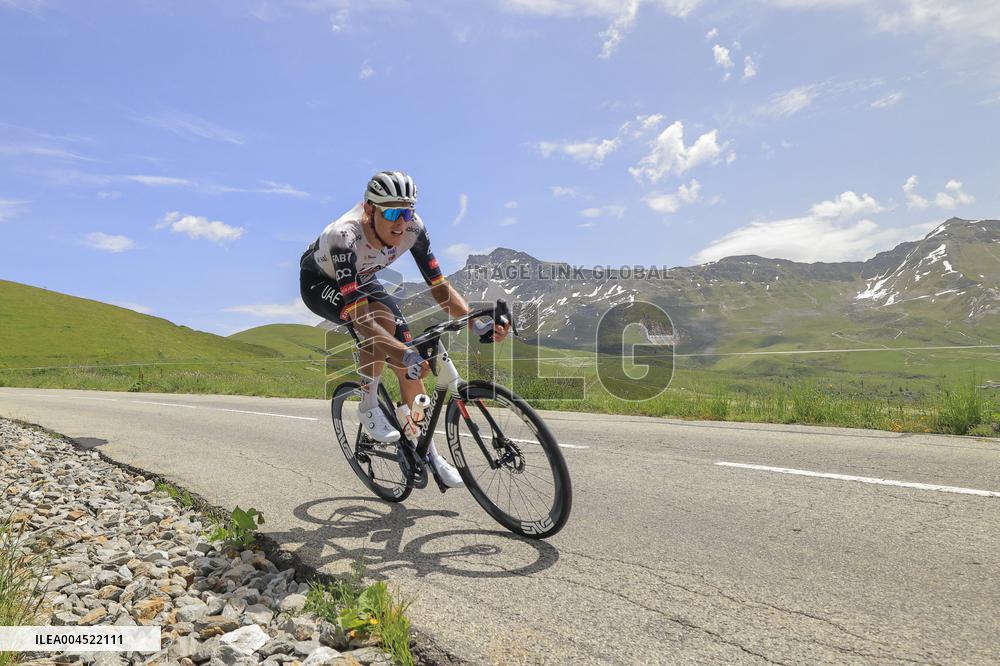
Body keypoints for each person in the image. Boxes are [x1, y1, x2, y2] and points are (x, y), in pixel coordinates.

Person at [300, 170, 510, 488]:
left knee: (411, 369)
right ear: (369, 210)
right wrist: (403, 353)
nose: (402, 222)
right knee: (381, 327)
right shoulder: (343, 236)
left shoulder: (414, 229)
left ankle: (430, 454)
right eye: (393, 212)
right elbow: (363, 321)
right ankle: (368, 405)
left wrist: (474, 322)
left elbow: (439, 288)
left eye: (408, 211)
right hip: (320, 283)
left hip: (364, 278)